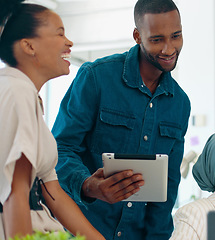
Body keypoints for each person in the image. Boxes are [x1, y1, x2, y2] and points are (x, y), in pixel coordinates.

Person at [51, 0, 191, 238]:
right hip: (83, 230)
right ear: (137, 36)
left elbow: (168, 185)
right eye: (157, 39)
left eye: (176, 36)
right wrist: (89, 186)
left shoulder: (180, 103)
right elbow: (60, 149)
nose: (169, 48)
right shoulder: (95, 78)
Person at [0, 1, 105, 239]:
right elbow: (14, 194)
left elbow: (53, 192)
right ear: (28, 45)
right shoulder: (16, 90)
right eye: (60, 33)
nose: (69, 42)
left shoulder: (26, 94)